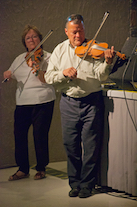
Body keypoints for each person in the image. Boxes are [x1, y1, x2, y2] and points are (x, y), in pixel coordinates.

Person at [44, 14, 115, 198]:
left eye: (81, 31)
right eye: (74, 32)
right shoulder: (59, 50)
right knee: (71, 145)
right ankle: (74, 183)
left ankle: (87, 185)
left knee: (91, 146)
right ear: (66, 31)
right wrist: (63, 73)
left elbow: (101, 76)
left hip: (92, 101)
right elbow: (48, 77)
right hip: (68, 102)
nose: (78, 36)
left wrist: (107, 63)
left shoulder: (95, 47)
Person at [3, 25, 56, 181]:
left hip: (43, 101)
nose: (31, 40)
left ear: (40, 39)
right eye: (28, 38)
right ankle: (23, 169)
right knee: (19, 135)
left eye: (34, 37)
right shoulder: (19, 59)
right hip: (22, 103)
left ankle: (41, 168)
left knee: (39, 135)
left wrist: (38, 69)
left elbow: (49, 79)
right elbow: (10, 74)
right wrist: (7, 75)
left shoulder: (48, 57)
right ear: (24, 42)